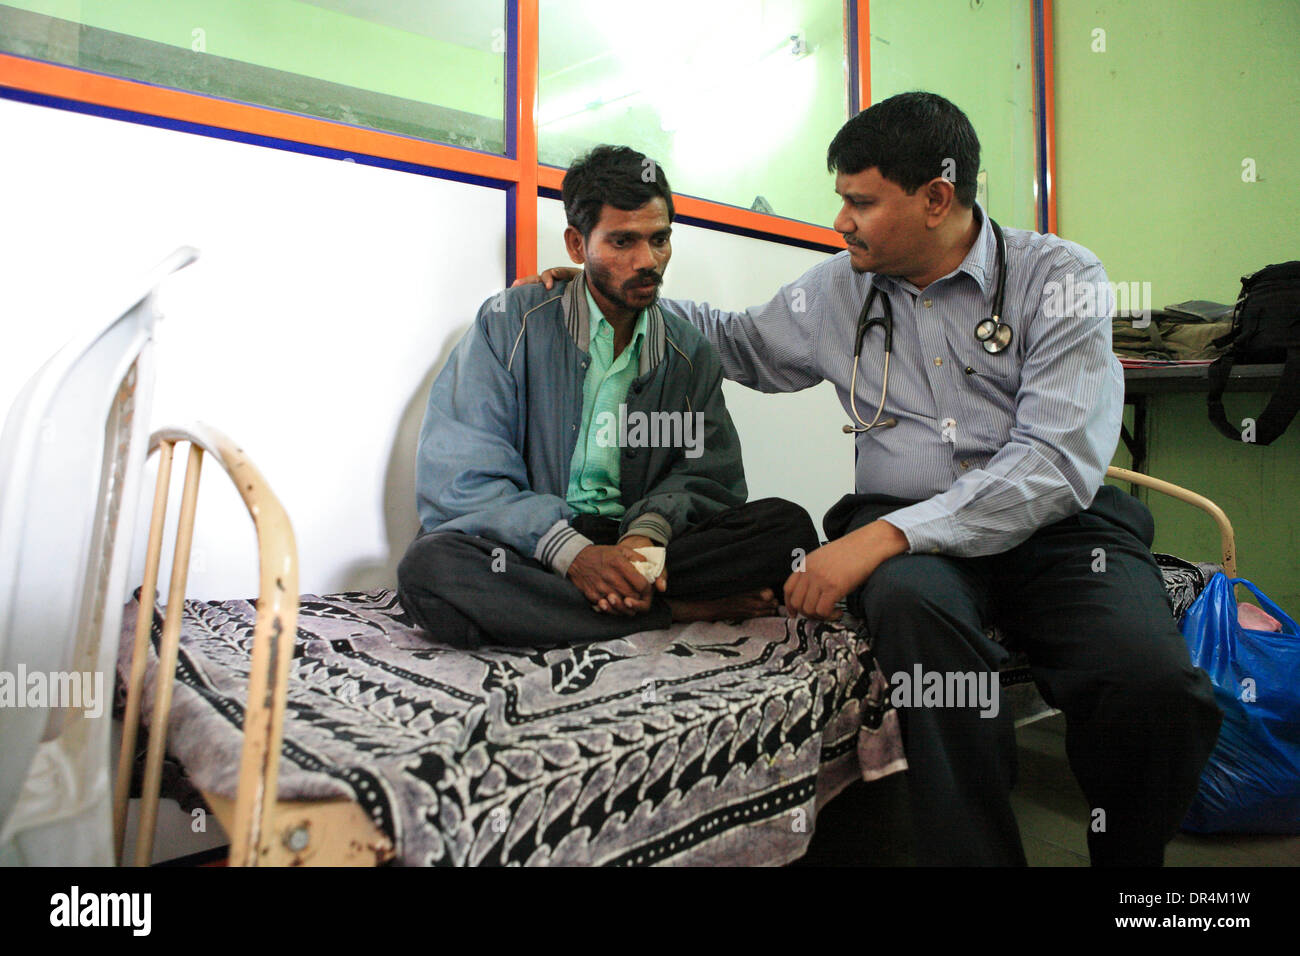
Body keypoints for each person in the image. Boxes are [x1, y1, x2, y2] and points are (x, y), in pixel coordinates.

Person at [517, 93, 1221, 866]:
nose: (841, 222)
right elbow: (732, 341)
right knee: (920, 616)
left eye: (860, 201)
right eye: (840, 200)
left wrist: (882, 538)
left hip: (1058, 533)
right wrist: (612, 282)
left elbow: (1055, 461)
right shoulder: (837, 291)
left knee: (1155, 689)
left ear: (936, 199)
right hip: (911, 543)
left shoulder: (1058, 277)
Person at [398, 145, 819, 651]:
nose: (647, 261)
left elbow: (709, 476)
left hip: (643, 547)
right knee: (430, 570)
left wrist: (645, 536)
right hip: (536, 545)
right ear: (577, 245)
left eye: (659, 240)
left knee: (787, 529)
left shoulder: (689, 352)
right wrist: (570, 551)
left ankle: (591, 601)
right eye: (622, 242)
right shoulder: (509, 324)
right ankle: (672, 610)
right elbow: (464, 471)